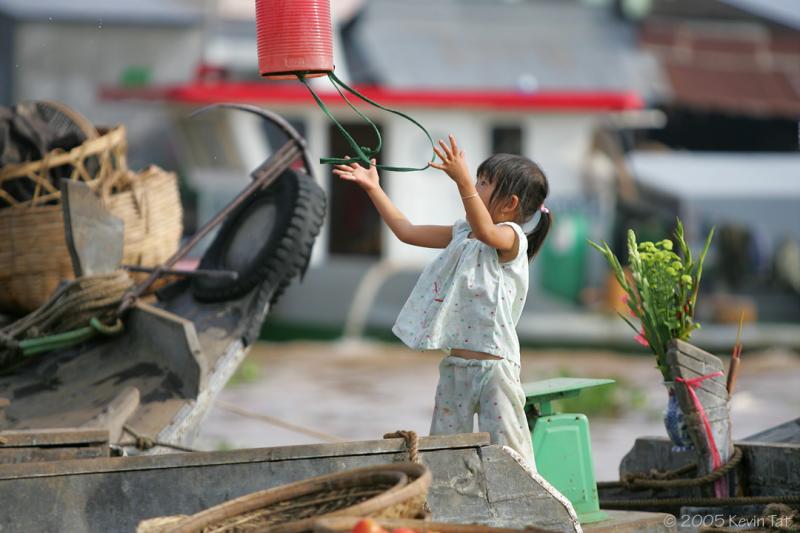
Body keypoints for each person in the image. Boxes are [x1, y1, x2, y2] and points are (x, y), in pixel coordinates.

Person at [333, 134, 551, 468]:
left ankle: (527, 503)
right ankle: (447, 503)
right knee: (445, 451)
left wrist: (461, 180)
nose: (475, 188)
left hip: (496, 368)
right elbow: (406, 231)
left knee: (509, 452)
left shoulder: (510, 239)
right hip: (456, 367)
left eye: (483, 184)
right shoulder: (463, 233)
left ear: (509, 204)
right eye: (476, 181)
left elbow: (488, 231)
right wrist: (373, 188)